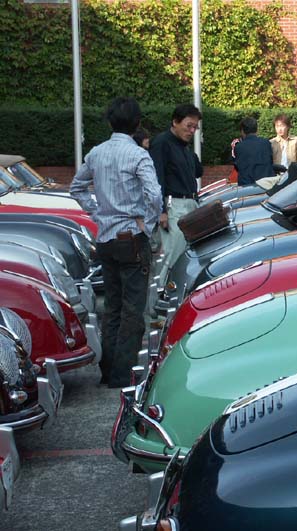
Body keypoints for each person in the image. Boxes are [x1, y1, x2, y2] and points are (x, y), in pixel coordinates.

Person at [70, 97, 162, 388]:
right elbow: (155, 195)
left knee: (112, 307)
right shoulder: (137, 154)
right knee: (133, 308)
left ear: (110, 122)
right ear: (137, 123)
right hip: (132, 236)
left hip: (105, 238)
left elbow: (76, 187)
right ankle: (123, 374)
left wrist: (98, 213)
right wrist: (147, 225)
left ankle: (108, 370)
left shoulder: (96, 153)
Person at [149, 103, 202, 285]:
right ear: (175, 122)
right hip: (173, 205)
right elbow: (157, 178)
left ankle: (174, 292)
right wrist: (161, 211)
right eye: (189, 125)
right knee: (172, 254)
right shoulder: (161, 143)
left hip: (189, 204)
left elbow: (198, 171)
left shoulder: (184, 147)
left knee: (185, 255)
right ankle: (159, 294)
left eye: (195, 127)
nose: (192, 131)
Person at [234, 116, 274, 186]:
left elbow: (238, 167)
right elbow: (270, 161)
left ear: (242, 131)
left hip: (246, 186)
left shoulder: (238, 147)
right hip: (266, 184)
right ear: (257, 130)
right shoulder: (266, 143)